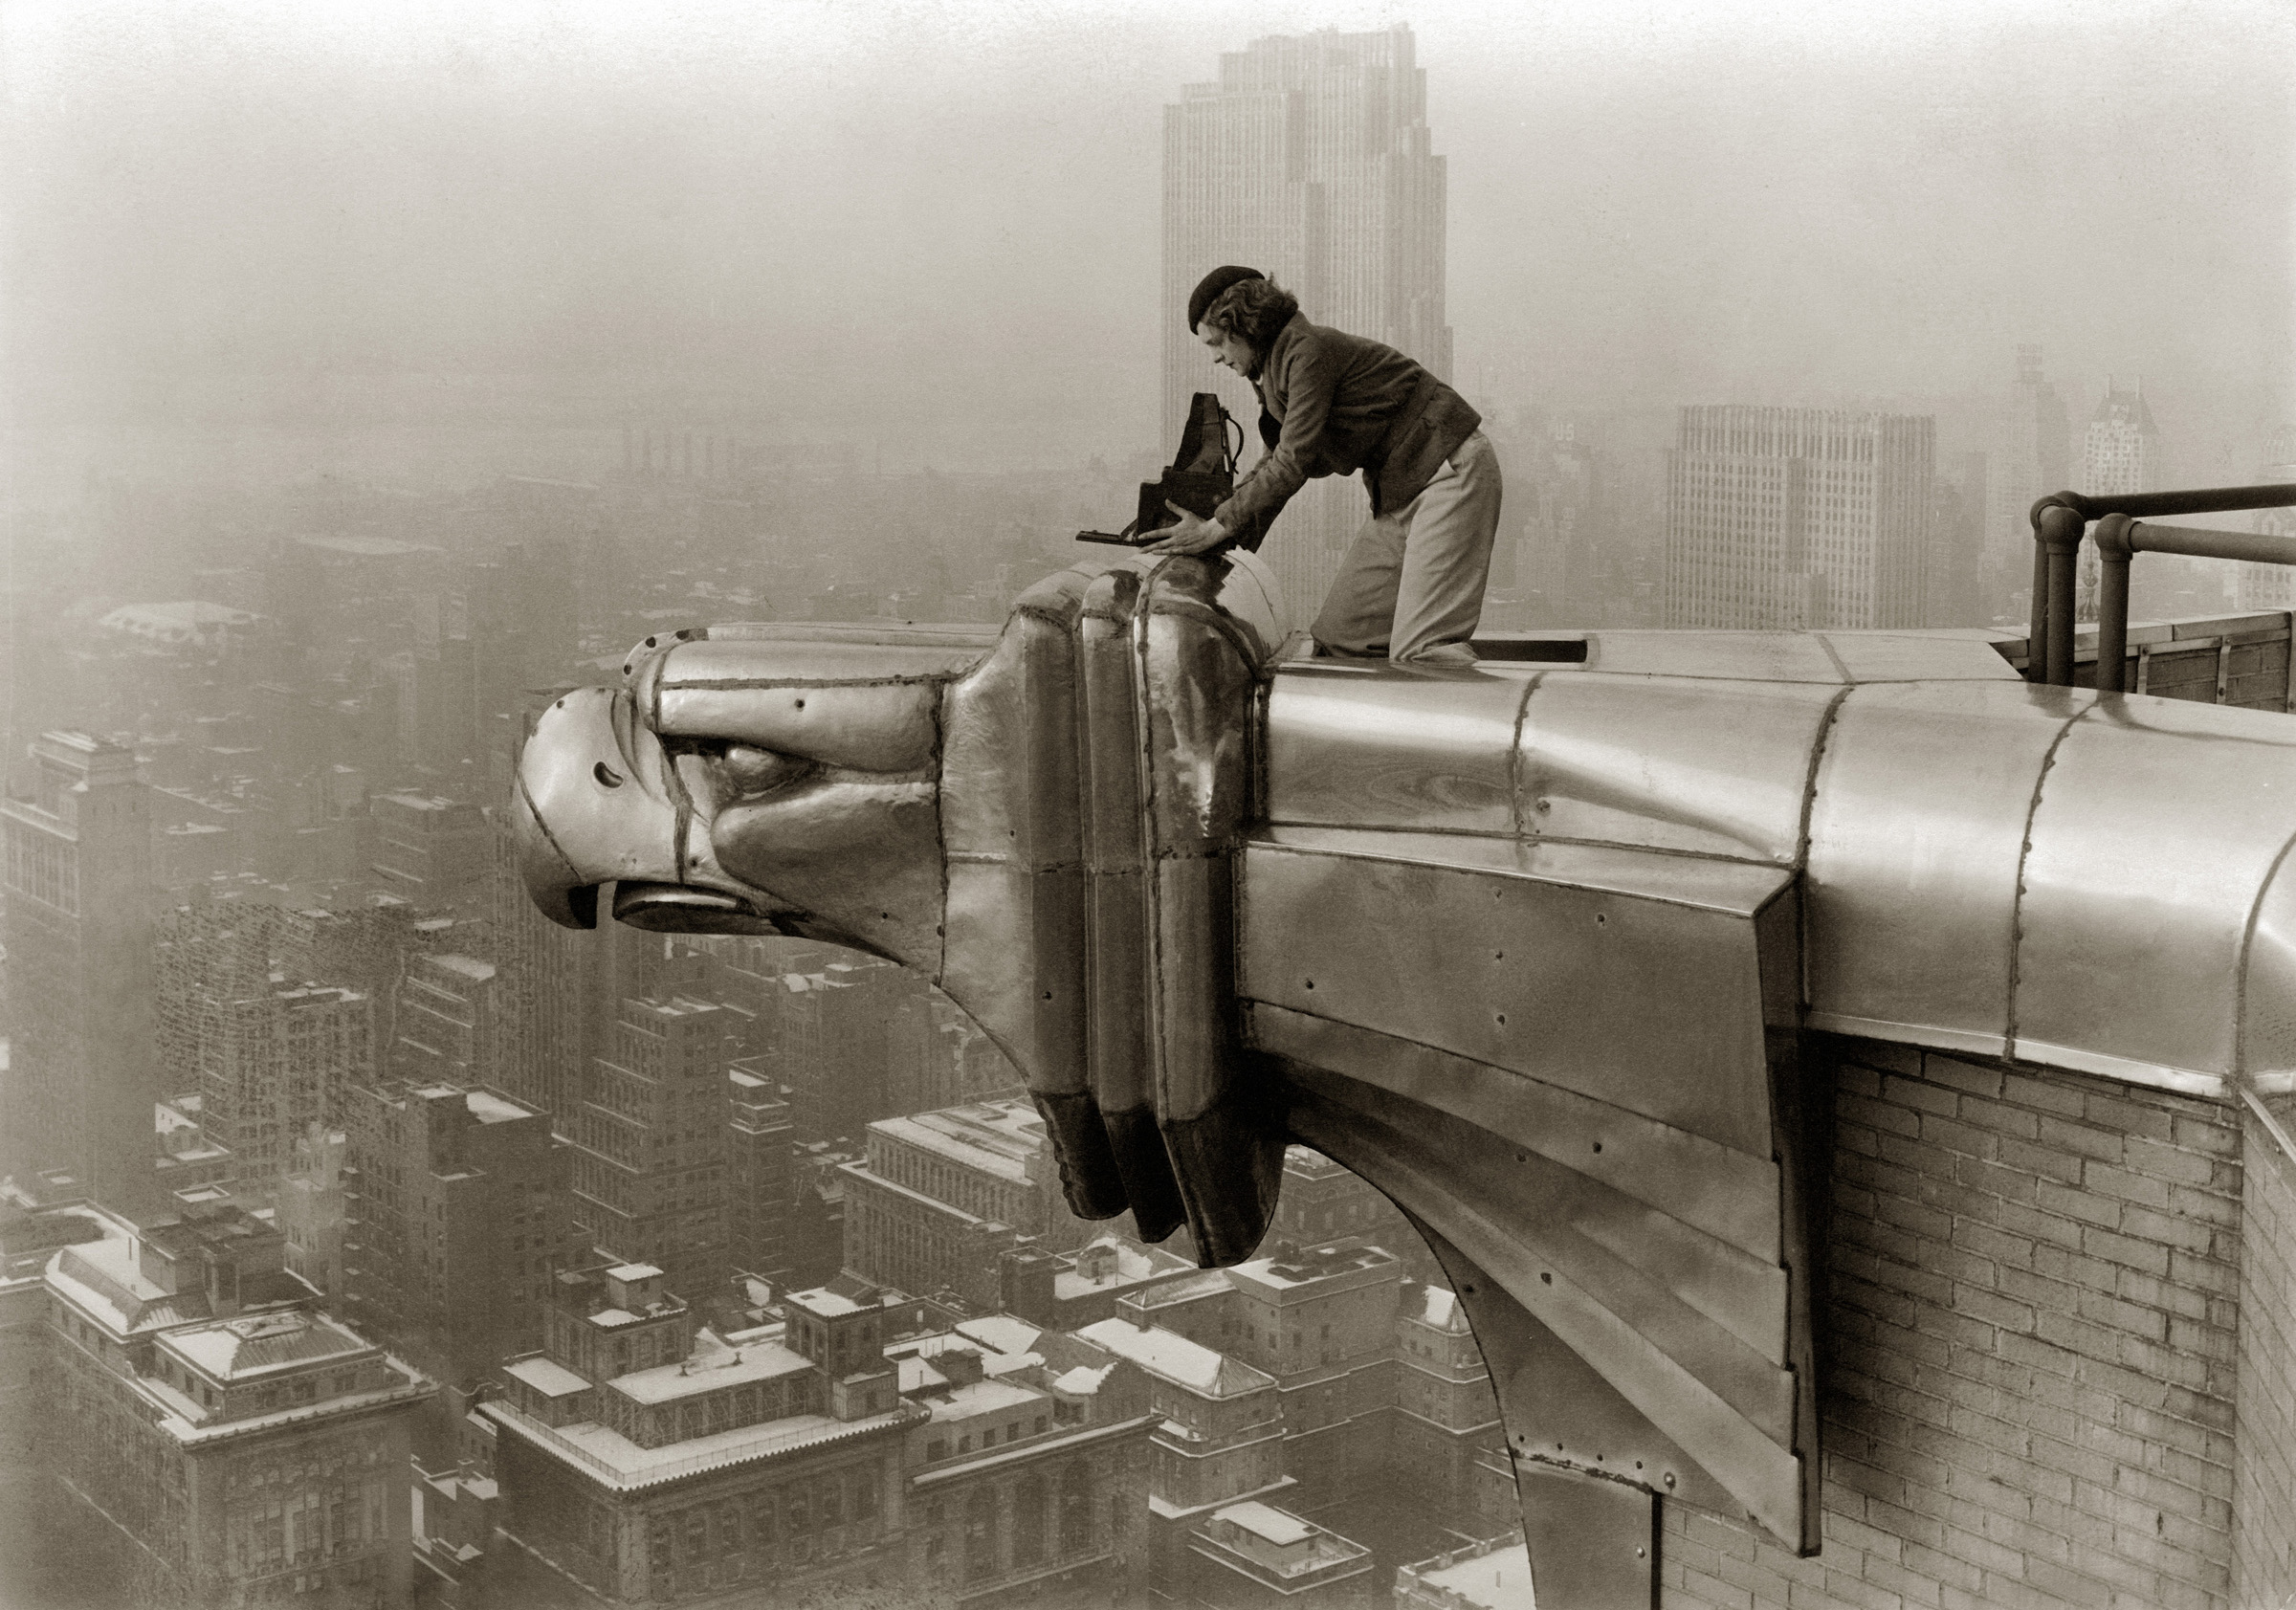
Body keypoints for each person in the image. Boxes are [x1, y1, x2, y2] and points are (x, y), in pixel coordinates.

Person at [1148, 264, 1502, 664]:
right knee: (1342, 640)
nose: (1215, 358)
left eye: (1217, 343)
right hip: (1402, 488)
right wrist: (1222, 536)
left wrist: (1218, 526)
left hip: (1448, 469)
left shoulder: (1306, 351)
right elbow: (1277, 459)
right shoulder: (1272, 368)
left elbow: (1293, 459)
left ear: (1243, 324)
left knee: (1424, 653)